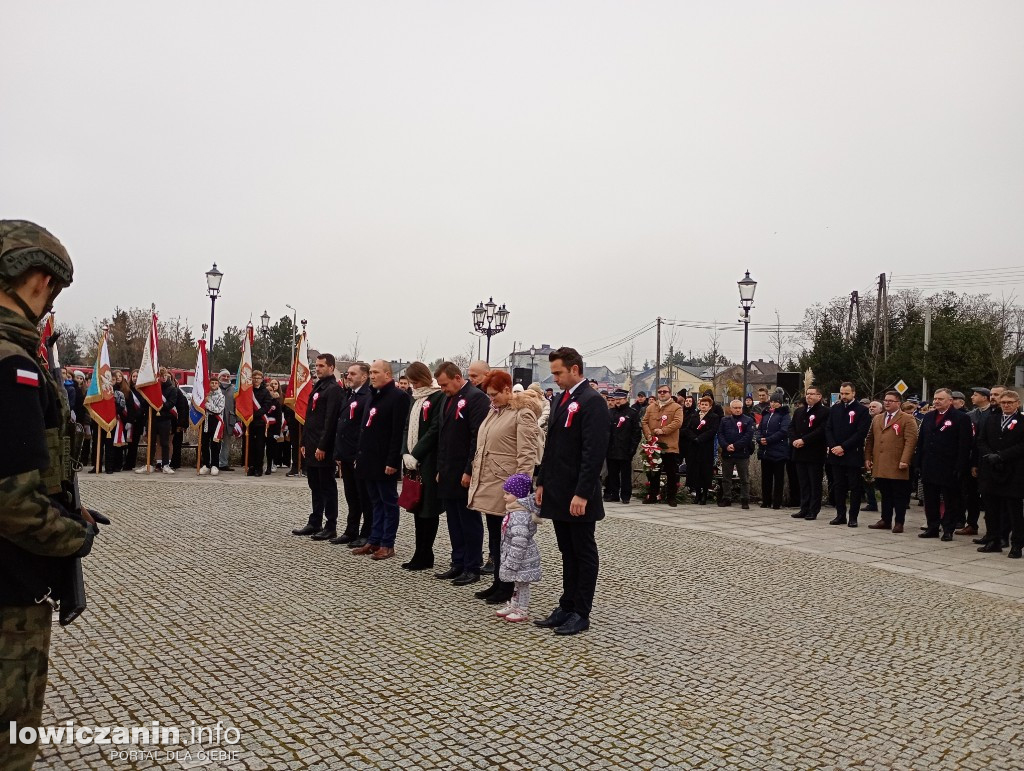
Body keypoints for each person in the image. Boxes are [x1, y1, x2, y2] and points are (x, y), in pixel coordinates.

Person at [0, 219, 102, 771]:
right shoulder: (12, 365)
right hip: (8, 589)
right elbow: (11, 500)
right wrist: (73, 535)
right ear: (38, 281)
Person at [534, 347, 610, 636]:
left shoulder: (592, 402)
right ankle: (566, 605)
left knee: (583, 551)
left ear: (575, 369)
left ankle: (581, 612)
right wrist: (541, 481)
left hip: (578, 493)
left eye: (558, 372)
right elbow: (552, 445)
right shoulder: (562, 399)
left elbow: (593, 452)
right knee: (567, 550)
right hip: (557, 489)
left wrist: (583, 492)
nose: (554, 378)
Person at [467, 370, 542, 605]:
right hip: (490, 481)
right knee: (495, 536)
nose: (491, 399)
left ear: (508, 390)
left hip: (507, 484)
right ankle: (499, 582)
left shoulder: (522, 413)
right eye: (488, 395)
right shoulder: (495, 411)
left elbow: (527, 454)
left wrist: (520, 490)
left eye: (495, 394)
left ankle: (507, 586)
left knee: (508, 537)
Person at [432, 361, 490, 585]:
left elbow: (477, 438)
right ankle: (457, 562)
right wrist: (439, 468)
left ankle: (472, 566)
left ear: (457, 378)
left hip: (464, 471)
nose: (443, 389)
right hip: (447, 469)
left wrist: (469, 470)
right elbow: (443, 436)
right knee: (453, 520)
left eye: (445, 384)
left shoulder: (476, 398)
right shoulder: (448, 399)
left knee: (468, 520)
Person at [351, 360, 412, 560]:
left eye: (376, 372)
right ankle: (374, 539)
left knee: (388, 502)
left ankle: (388, 543)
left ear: (387, 374)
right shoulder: (372, 395)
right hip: (368, 458)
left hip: (385, 460)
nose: (373, 375)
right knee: (374, 501)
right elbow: (364, 428)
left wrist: (393, 461)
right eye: (371, 372)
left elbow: (397, 432)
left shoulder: (398, 397)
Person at [291, 355, 344, 540]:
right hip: (312, 444)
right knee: (314, 485)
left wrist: (323, 446)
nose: (317, 369)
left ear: (331, 367)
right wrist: (304, 442)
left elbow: (330, 421)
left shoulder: (334, 390)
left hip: (324, 447)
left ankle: (331, 525)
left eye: (321, 366)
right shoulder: (318, 386)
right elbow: (310, 417)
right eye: (316, 365)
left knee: (327, 486)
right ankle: (315, 522)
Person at [400, 361, 444, 570]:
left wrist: (416, 453)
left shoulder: (437, 397)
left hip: (428, 460)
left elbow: (434, 429)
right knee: (417, 507)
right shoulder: (414, 399)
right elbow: (407, 427)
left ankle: (426, 553)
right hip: (413, 460)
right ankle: (419, 552)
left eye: (415, 381)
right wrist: (405, 453)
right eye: (411, 382)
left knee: (428, 509)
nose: (413, 386)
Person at [916, 388, 972, 540]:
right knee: (930, 499)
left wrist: (960, 466)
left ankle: (948, 528)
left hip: (949, 466)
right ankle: (932, 527)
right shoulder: (928, 417)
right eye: (935, 399)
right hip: (929, 464)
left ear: (950, 401)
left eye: (940, 399)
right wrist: (918, 461)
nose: (936, 401)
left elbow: (964, 445)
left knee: (950, 500)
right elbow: (921, 441)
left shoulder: (961, 418)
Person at [975, 389, 1023, 556]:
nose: (1006, 405)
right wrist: (989, 454)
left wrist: (1002, 456)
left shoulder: (1022, 421)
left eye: (1010, 402)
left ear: (1017, 403)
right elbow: (981, 440)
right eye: (1004, 402)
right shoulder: (991, 419)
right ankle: (993, 540)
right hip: (991, 470)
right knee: (991, 509)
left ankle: (1017, 544)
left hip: (1013, 471)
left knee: (1014, 510)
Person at [865, 390, 920, 533]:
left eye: (891, 401)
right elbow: (870, 439)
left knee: (899, 495)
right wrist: (868, 458)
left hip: (897, 463)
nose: (887, 403)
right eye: (885, 400)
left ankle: (899, 522)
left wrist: (905, 460)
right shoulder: (877, 418)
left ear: (898, 403)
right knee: (885, 493)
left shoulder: (907, 419)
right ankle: (885, 519)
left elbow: (911, 441)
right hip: (881, 463)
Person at [331, 361, 373, 546]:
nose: (348, 376)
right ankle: (351, 530)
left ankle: (367, 532)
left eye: (352, 374)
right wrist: (338, 453)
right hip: (345, 453)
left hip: (358, 454)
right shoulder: (349, 395)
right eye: (347, 373)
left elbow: (363, 428)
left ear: (364, 376)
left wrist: (359, 454)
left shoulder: (368, 396)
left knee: (364, 496)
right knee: (351, 495)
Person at [494, 473, 543, 623]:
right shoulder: (514, 511)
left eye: (508, 493)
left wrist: (512, 562)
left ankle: (522, 608)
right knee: (517, 583)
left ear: (519, 495)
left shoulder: (519, 515)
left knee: (523, 585)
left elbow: (519, 542)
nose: (504, 496)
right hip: (515, 555)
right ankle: (515, 604)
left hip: (522, 558)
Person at [825, 382, 871, 527]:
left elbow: (861, 433)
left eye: (846, 393)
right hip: (835, 454)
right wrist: (833, 446)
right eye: (842, 393)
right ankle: (840, 515)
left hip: (852, 454)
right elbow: (828, 428)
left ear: (853, 393)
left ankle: (853, 517)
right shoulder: (835, 409)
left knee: (854, 487)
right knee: (838, 486)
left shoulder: (862, 411)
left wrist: (843, 447)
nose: (844, 396)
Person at [789, 386, 830, 520]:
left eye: (812, 394)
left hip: (814, 453)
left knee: (814, 483)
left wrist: (804, 440)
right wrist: (794, 440)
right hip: (799, 452)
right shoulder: (799, 411)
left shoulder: (824, 412)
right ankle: (804, 508)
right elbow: (791, 427)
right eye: (807, 394)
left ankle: (813, 510)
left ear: (819, 396)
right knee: (803, 483)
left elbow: (821, 430)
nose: (809, 396)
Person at [957, 386, 992, 536]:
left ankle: (994, 529)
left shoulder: (992, 414)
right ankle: (971, 524)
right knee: (970, 494)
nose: (972, 397)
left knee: (988, 496)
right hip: (972, 458)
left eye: (975, 395)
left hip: (987, 459)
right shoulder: (970, 415)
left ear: (985, 397)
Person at [642, 385, 684, 506]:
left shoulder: (676, 407)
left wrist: (663, 430)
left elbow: (678, 422)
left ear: (670, 393)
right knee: (654, 472)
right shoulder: (651, 407)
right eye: (659, 392)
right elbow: (644, 422)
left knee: (672, 473)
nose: (661, 394)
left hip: (669, 445)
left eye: (664, 391)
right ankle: (653, 495)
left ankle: (671, 497)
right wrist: (648, 435)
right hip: (654, 444)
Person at [683, 394, 722, 505]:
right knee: (695, 471)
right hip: (694, 447)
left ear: (710, 406)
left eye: (706, 405)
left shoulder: (714, 417)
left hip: (706, 448)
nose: (703, 406)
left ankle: (704, 494)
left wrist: (700, 438)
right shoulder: (694, 416)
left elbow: (712, 431)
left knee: (704, 472)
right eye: (702, 404)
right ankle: (697, 494)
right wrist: (693, 438)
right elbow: (687, 429)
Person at [604, 389, 641, 504]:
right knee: (612, 474)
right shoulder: (610, 412)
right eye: (616, 400)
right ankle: (614, 494)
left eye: (620, 399)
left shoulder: (632, 413)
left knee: (625, 475)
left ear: (625, 399)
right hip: (611, 449)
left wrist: (632, 448)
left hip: (625, 449)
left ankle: (625, 495)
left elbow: (636, 433)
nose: (617, 402)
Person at [756, 393, 791, 509]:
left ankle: (777, 502)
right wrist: (759, 439)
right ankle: (766, 500)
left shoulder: (784, 415)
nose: (773, 403)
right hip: (765, 451)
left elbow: (784, 431)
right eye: (771, 401)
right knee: (766, 478)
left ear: (780, 403)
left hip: (779, 452)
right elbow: (759, 429)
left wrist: (769, 440)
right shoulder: (766, 414)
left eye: (776, 401)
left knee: (778, 479)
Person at [718, 399, 755, 508]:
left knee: (744, 478)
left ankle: (745, 499)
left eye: (740, 408)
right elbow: (720, 434)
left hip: (742, 453)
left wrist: (735, 446)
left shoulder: (748, 420)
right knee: (726, 478)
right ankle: (727, 498)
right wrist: (726, 445)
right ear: (731, 409)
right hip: (727, 453)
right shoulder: (724, 420)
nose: (738, 410)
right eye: (735, 408)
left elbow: (748, 436)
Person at [246, 370, 271, 476]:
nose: (256, 380)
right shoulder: (248, 390)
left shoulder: (265, 392)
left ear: (262, 379)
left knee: (260, 446)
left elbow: (267, 406)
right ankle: (250, 466)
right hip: (249, 422)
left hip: (260, 422)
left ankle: (258, 468)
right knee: (250, 445)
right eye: (254, 377)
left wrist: (255, 414)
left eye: (258, 378)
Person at [199, 374, 225, 476]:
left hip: (216, 421)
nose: (214, 384)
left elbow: (218, 409)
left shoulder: (221, 396)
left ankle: (215, 465)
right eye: (212, 383)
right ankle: (206, 464)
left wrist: (207, 404)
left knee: (215, 444)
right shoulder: (205, 394)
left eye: (216, 383)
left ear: (218, 384)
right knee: (204, 444)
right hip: (205, 421)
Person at [861, 400, 884, 512]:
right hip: (867, 453)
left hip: (880, 454)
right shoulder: (866, 420)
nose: (871, 408)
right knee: (867, 479)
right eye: (870, 406)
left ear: (880, 409)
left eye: (874, 407)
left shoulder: (883, 420)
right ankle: (871, 502)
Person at [218, 369, 237, 471]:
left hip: (229, 419)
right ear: (219, 377)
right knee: (214, 441)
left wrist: (237, 420)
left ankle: (223, 463)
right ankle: (213, 462)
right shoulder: (215, 388)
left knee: (226, 442)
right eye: (223, 376)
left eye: (227, 376)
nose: (225, 378)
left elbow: (237, 406)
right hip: (217, 420)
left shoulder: (234, 390)